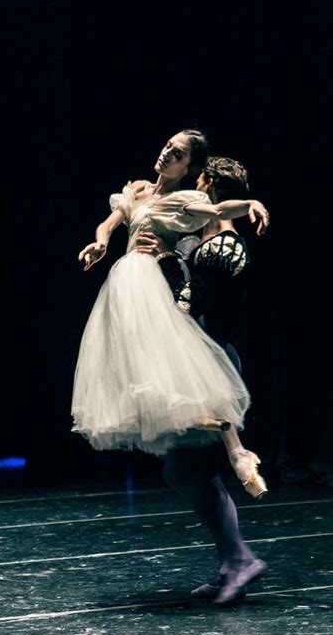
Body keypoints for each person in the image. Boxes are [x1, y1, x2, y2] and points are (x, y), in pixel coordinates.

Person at [72, 130, 268, 494]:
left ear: (189, 166)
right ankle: (229, 447)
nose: (166, 154)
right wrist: (100, 244)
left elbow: (216, 209)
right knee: (136, 358)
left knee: (180, 357)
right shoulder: (139, 190)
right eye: (167, 146)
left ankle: (237, 451)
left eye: (176, 154)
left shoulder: (183, 200)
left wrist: (249, 203)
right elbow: (109, 223)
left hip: (150, 279)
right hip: (122, 279)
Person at [134, 155, 269, 604]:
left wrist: (169, 258)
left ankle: (240, 560)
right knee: (185, 469)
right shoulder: (207, 241)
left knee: (188, 467)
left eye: (199, 183)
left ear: (209, 185)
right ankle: (234, 561)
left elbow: (201, 306)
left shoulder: (223, 246)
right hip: (198, 358)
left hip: (211, 360)